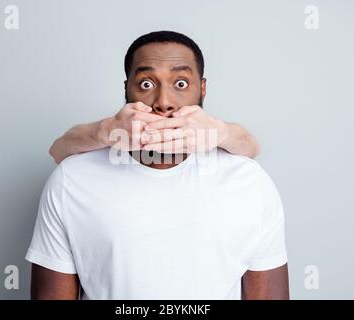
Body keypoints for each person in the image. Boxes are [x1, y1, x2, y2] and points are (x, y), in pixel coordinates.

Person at [25, 30, 289, 300]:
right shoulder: (72, 179)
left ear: (203, 89)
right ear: (127, 89)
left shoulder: (249, 182)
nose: (163, 102)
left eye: (181, 84)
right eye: (147, 84)